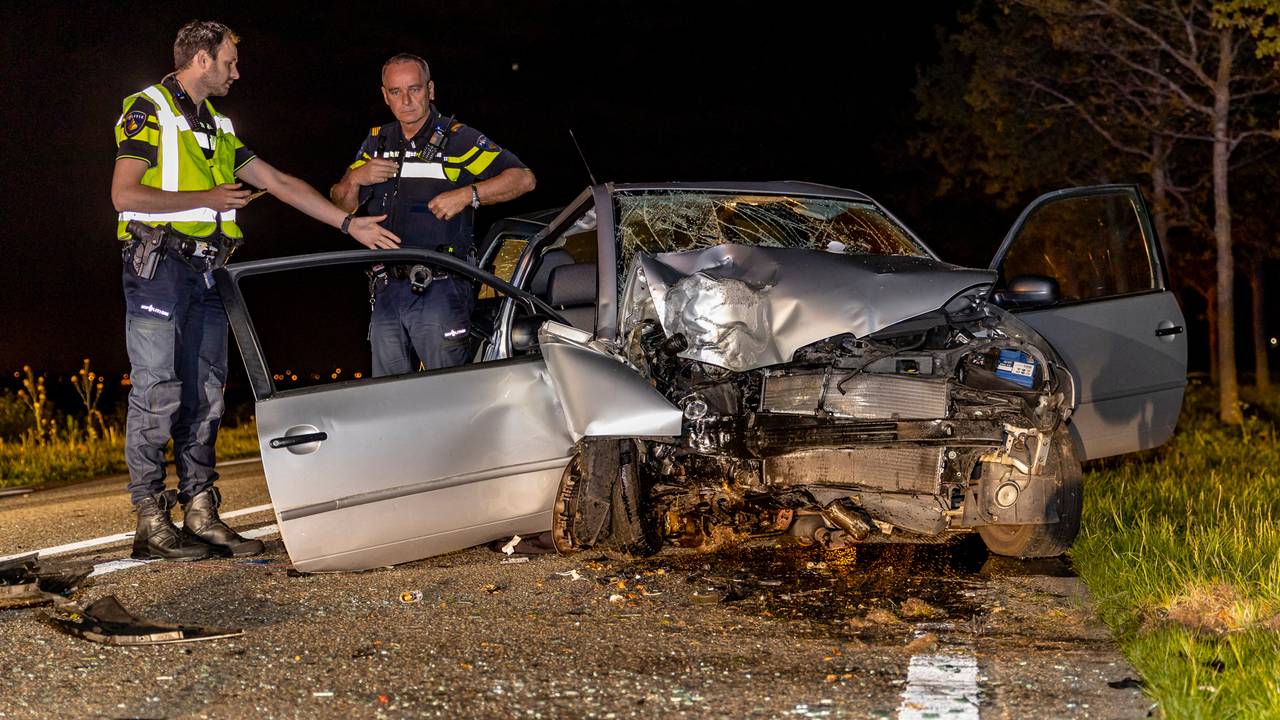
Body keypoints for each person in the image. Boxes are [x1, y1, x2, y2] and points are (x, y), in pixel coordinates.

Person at [111, 20, 400, 562]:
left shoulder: (217, 126)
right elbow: (123, 192)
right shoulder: (148, 108)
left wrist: (348, 224)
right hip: (159, 267)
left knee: (207, 395)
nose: (235, 72)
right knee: (157, 391)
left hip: (208, 274)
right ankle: (151, 519)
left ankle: (200, 510)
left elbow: (280, 182)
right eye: (228, 62)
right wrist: (208, 196)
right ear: (200, 60)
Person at [330, 53, 535, 376]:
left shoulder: (457, 139)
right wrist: (356, 178)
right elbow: (341, 207)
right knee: (389, 396)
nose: (406, 100)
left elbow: (523, 178)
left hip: (442, 286)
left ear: (431, 90)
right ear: (384, 95)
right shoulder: (376, 142)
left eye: (414, 89)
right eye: (396, 92)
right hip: (386, 290)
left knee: (447, 391)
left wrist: (469, 194)